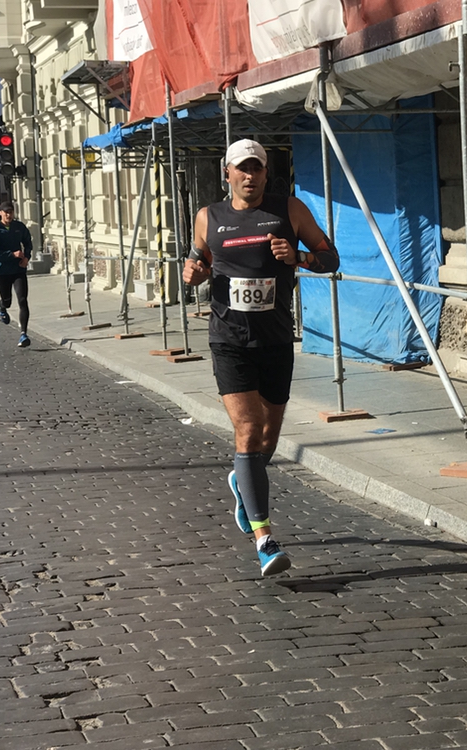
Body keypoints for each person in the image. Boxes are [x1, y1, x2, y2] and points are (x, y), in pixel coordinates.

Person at [182, 139, 339, 575]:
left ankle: (243, 479)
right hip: (228, 339)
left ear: (267, 174)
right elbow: (195, 264)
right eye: (242, 168)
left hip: (275, 339)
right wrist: (193, 273)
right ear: (227, 174)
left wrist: (299, 256)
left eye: (257, 168)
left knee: (267, 438)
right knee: (248, 431)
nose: (249, 176)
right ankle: (264, 538)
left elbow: (330, 258)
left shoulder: (290, 210)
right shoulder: (209, 217)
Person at [0, 200, 33, 348]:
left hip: (19, 270)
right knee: (7, 301)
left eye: (11, 212)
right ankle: (2, 306)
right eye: (6, 212)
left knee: (22, 300)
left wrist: (26, 257)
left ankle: (23, 334)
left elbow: (28, 242)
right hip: (3, 271)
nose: (8, 215)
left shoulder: (19, 227)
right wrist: (11, 254)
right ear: (0, 213)